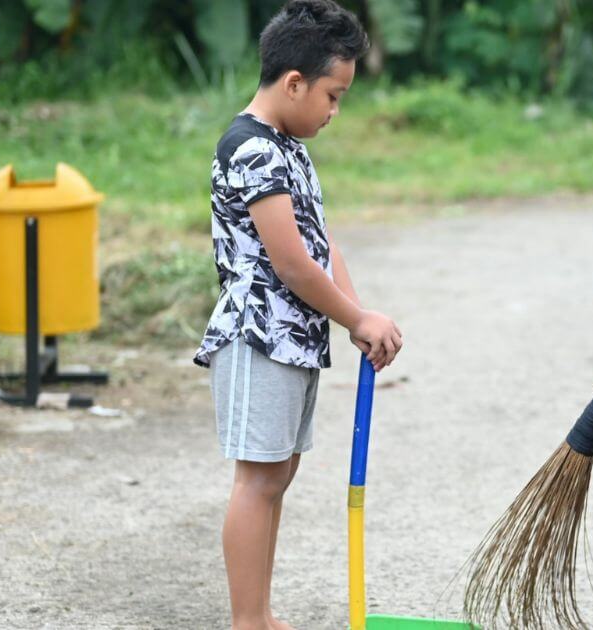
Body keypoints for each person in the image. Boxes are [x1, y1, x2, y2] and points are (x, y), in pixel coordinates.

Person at [193, 2, 402, 628]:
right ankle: (246, 621)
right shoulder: (251, 148)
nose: (335, 111)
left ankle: (260, 613)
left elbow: (321, 243)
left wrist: (358, 313)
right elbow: (290, 263)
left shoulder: (289, 147)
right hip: (257, 334)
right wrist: (355, 321)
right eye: (333, 96)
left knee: (277, 474)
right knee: (257, 479)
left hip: (293, 338)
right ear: (293, 83)